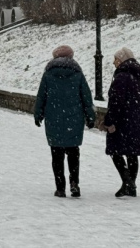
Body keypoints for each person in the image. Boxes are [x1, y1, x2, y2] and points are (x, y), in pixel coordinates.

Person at [34, 45, 96, 198]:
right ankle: (74, 183)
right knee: (73, 153)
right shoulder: (77, 73)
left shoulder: (48, 74)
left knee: (57, 155)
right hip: (74, 119)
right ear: (71, 57)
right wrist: (90, 116)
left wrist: (38, 114)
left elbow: (41, 96)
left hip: (53, 118)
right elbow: (86, 97)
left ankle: (60, 188)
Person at [99, 47, 140, 198]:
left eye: (116, 59)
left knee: (115, 151)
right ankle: (131, 186)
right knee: (132, 154)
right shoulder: (136, 77)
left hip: (121, 122)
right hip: (134, 120)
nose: (114, 62)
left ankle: (128, 182)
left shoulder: (121, 77)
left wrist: (109, 121)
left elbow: (116, 102)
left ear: (121, 60)